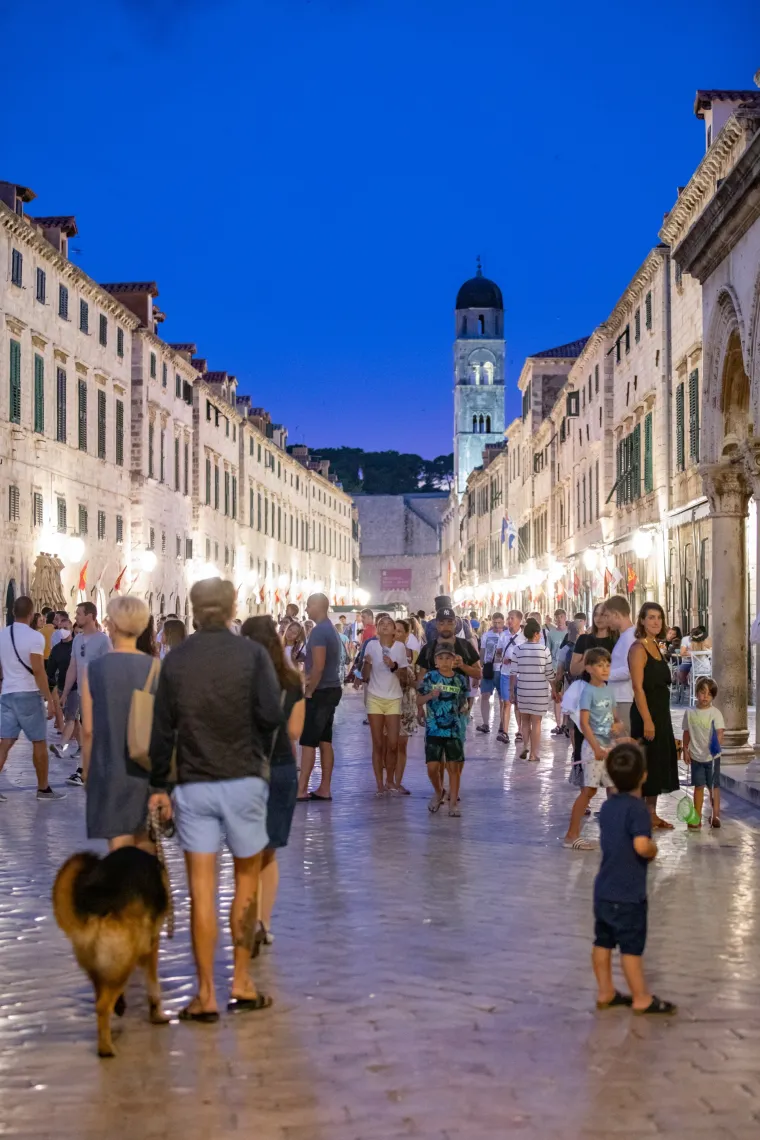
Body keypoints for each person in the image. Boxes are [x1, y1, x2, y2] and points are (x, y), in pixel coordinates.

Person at [148, 577, 283, 1020]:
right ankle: (241, 983)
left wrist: (158, 788)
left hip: (194, 781)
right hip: (243, 777)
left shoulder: (176, 660)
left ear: (192, 609)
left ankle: (206, 994)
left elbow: (162, 729)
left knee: (201, 891)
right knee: (246, 882)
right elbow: (269, 714)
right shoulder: (253, 655)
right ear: (231, 608)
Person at [592, 741, 676, 1016]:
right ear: (643, 775)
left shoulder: (607, 808)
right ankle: (641, 998)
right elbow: (641, 846)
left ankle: (605, 992)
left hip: (603, 890)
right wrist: (653, 850)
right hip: (628, 894)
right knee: (630, 948)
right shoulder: (638, 810)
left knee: (602, 942)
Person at [241, 616, 305, 942]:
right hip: (280, 767)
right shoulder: (292, 680)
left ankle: (246, 917)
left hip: (247, 768)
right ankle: (264, 924)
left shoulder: (239, 678)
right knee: (269, 851)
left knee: (247, 851)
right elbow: (295, 732)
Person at [81, 597, 158, 850]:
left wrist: (87, 771)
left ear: (112, 625)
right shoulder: (156, 668)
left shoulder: (94, 669)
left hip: (109, 768)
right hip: (146, 769)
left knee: (119, 851)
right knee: (147, 846)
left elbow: (88, 730)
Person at [0, 595, 62, 801]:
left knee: (5, 742)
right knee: (38, 741)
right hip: (28, 695)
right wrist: (50, 700)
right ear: (31, 613)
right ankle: (43, 788)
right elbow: (38, 671)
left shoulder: (2, 635)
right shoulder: (35, 637)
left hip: (7, 693)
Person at [563, 647, 624, 850]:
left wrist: (617, 727)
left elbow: (615, 719)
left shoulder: (608, 690)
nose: (605, 669)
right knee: (588, 791)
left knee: (614, 788)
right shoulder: (587, 692)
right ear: (588, 668)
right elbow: (585, 723)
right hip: (593, 748)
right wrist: (596, 747)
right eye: (600, 665)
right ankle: (572, 834)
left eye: (607, 665)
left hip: (608, 746)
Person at [629, 602, 680, 830]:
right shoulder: (638, 648)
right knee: (646, 763)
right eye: (651, 617)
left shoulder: (656, 646)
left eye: (659, 617)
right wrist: (647, 720)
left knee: (658, 761)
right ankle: (640, 815)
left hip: (662, 711)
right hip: (645, 712)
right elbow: (638, 688)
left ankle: (652, 813)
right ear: (641, 620)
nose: (656, 621)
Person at [297, 593, 344, 802]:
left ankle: (301, 789)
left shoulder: (318, 632)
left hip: (321, 691)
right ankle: (324, 787)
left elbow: (319, 665)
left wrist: (309, 690)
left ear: (318, 606)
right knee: (325, 740)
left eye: (308, 605)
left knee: (308, 741)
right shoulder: (330, 629)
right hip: (332, 688)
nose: (306, 609)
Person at [59, 601, 112, 784]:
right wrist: (65, 692)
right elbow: (73, 667)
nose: (76, 617)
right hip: (83, 694)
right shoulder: (78, 640)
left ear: (90, 616)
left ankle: (84, 771)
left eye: (79, 614)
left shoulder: (103, 640)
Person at [417, 644, 469, 817]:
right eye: (441, 658)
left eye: (448, 658)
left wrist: (464, 709)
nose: (445, 661)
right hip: (433, 728)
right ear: (435, 661)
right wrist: (430, 696)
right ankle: (439, 791)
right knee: (432, 767)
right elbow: (418, 700)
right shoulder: (430, 677)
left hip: (453, 728)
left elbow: (464, 700)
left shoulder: (460, 680)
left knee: (453, 767)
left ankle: (453, 804)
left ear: (454, 660)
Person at [362, 615, 409, 795]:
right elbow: (365, 676)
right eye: (382, 624)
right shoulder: (371, 646)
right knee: (378, 743)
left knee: (393, 743)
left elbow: (404, 676)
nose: (385, 626)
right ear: (377, 629)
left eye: (389, 624)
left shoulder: (400, 647)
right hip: (375, 697)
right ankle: (380, 784)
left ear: (394, 630)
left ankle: (391, 780)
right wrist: (366, 663)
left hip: (393, 698)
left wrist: (394, 665)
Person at [682, 678, 724, 829]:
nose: (705, 696)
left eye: (709, 694)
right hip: (696, 756)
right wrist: (685, 750)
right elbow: (686, 733)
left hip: (712, 757)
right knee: (698, 786)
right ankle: (697, 817)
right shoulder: (690, 713)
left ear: (713, 697)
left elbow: (720, 732)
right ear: (697, 693)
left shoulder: (715, 713)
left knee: (713, 787)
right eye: (702, 692)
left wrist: (716, 746)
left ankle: (715, 815)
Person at [513, 618, 555, 762]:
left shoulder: (517, 649)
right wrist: (555, 690)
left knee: (524, 721)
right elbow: (549, 673)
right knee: (537, 722)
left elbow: (513, 673)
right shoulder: (544, 650)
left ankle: (525, 745)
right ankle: (533, 754)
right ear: (536, 634)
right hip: (539, 691)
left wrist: (513, 692)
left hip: (523, 689)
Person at [603, 596, 636, 732]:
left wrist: (603, 674)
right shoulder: (624, 636)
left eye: (607, 616)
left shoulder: (630, 637)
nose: (606, 620)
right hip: (618, 697)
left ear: (616, 615)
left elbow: (629, 670)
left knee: (623, 744)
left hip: (625, 698)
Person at [394, 619, 419, 794]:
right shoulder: (383, 651)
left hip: (407, 702)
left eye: (400, 631)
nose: (396, 634)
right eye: (394, 630)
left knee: (402, 744)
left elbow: (418, 679)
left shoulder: (414, 654)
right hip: (388, 700)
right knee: (388, 745)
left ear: (407, 634)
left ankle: (398, 781)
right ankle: (386, 780)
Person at [495, 610, 525, 744]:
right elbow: (498, 652)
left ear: (519, 621)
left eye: (512, 618)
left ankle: (520, 731)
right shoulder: (503, 635)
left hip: (520, 675)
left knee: (518, 703)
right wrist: (502, 658)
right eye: (509, 618)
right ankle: (505, 732)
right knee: (506, 703)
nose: (509, 621)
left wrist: (514, 660)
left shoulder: (524, 637)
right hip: (506, 673)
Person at [477, 612, 505, 733]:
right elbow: (482, 652)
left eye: (499, 622)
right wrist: (480, 667)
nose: (497, 625)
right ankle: (485, 723)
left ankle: (503, 723)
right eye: (495, 622)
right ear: (491, 622)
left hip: (502, 670)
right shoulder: (486, 636)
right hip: (488, 669)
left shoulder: (507, 635)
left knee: (502, 698)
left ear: (503, 622)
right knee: (485, 695)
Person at [46, 616, 74, 735]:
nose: (63, 630)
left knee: (73, 718)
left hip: (77, 686)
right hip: (62, 685)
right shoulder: (56, 649)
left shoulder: (78, 645)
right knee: (70, 717)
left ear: (71, 628)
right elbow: (50, 671)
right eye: (60, 628)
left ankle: (66, 742)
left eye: (66, 628)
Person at [545, 609, 568, 733]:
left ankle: (565, 723)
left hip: (567, 669)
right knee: (557, 696)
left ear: (565, 618)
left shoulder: (570, 632)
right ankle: (558, 724)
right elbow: (548, 651)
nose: (559, 620)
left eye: (561, 617)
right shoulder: (551, 634)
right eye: (557, 617)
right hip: (554, 668)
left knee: (566, 696)